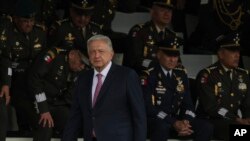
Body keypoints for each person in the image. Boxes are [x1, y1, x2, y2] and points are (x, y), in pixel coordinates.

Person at [62, 34, 147, 141]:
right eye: (92, 52)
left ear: (111, 54)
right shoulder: (83, 79)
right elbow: (75, 117)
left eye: (101, 51)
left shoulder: (127, 76)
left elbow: (139, 116)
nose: (96, 55)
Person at [142, 35, 213, 141]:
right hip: (156, 120)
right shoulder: (149, 75)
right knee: (162, 127)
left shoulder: (181, 75)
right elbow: (148, 108)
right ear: (159, 54)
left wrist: (186, 121)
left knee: (206, 126)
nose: (172, 60)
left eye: (175, 56)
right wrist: (173, 122)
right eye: (168, 55)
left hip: (176, 121)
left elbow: (188, 104)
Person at [0, 0, 47, 132]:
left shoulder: (40, 32)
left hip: (34, 79)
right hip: (14, 79)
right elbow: (6, 59)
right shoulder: (7, 32)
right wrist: (6, 83)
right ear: (15, 19)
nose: (29, 24)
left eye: (32, 20)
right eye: (25, 21)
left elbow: (43, 59)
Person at [195, 32, 250, 140]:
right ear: (220, 54)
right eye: (232, 51)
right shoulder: (207, 75)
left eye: (238, 51)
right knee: (241, 133)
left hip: (234, 121)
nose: (237, 55)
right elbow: (211, 107)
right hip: (211, 121)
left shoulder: (243, 75)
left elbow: (247, 104)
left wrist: (248, 118)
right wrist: (236, 119)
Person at [27, 48, 85, 141]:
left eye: (85, 64)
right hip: (37, 101)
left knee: (71, 123)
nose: (82, 67)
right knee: (46, 125)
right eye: (81, 62)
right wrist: (44, 109)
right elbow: (35, 80)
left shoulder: (79, 70)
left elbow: (70, 96)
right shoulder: (54, 57)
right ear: (72, 55)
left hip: (56, 103)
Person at [126, 0, 177, 73]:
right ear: (152, 12)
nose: (166, 14)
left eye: (169, 11)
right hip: (141, 75)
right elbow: (134, 60)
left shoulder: (172, 35)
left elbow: (177, 61)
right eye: (162, 10)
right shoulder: (140, 31)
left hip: (163, 78)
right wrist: (157, 65)